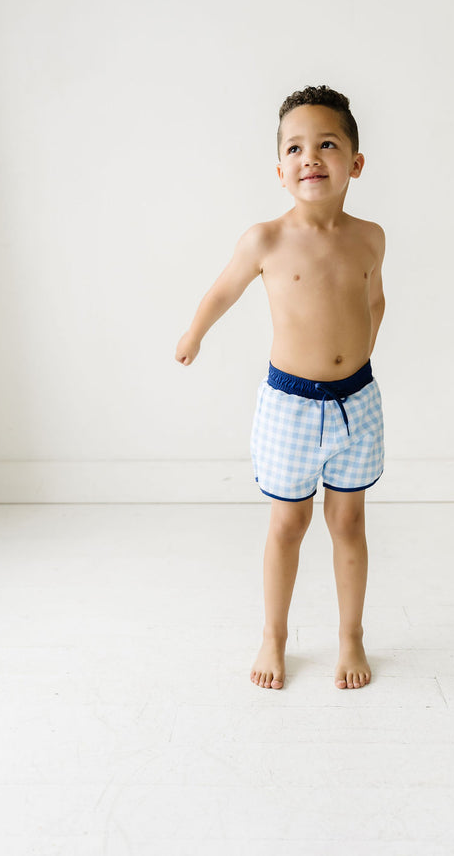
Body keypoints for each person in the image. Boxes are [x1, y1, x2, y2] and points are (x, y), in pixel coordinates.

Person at [175, 84, 386, 691]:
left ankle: (352, 635)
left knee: (348, 523)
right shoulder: (265, 239)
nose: (311, 157)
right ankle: (275, 634)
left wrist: (363, 350)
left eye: (327, 144)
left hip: (357, 402)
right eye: (296, 148)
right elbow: (223, 291)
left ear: (355, 163)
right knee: (287, 524)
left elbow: (374, 296)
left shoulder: (369, 236)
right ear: (280, 169)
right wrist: (195, 332)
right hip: (290, 405)